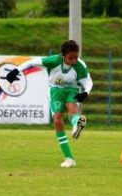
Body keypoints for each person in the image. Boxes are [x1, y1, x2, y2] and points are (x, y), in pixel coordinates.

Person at [6, 40, 93, 168]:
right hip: (55, 90)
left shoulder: (80, 65)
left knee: (72, 108)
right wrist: (16, 71)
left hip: (72, 89)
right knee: (57, 119)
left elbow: (89, 81)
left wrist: (86, 92)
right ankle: (69, 158)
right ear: (63, 56)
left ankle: (77, 123)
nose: (74, 60)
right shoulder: (53, 61)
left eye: (76, 57)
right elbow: (31, 63)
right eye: (70, 58)